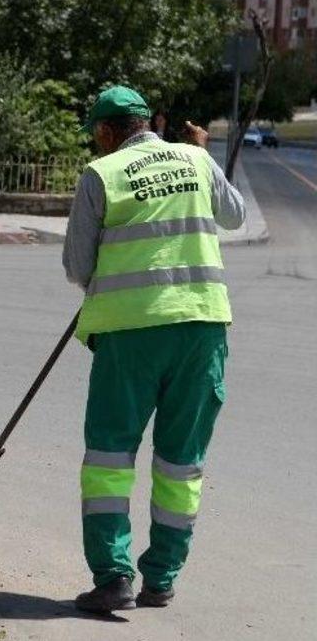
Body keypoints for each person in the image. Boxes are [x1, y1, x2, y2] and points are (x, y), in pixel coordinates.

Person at [63, 85, 245, 613]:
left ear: (105, 131)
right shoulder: (195, 159)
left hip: (129, 337)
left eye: (95, 136)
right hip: (203, 330)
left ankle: (113, 576)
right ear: (150, 121)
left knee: (109, 458)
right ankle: (162, 578)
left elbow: (78, 267)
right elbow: (231, 217)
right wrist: (203, 155)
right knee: (181, 463)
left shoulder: (102, 175)